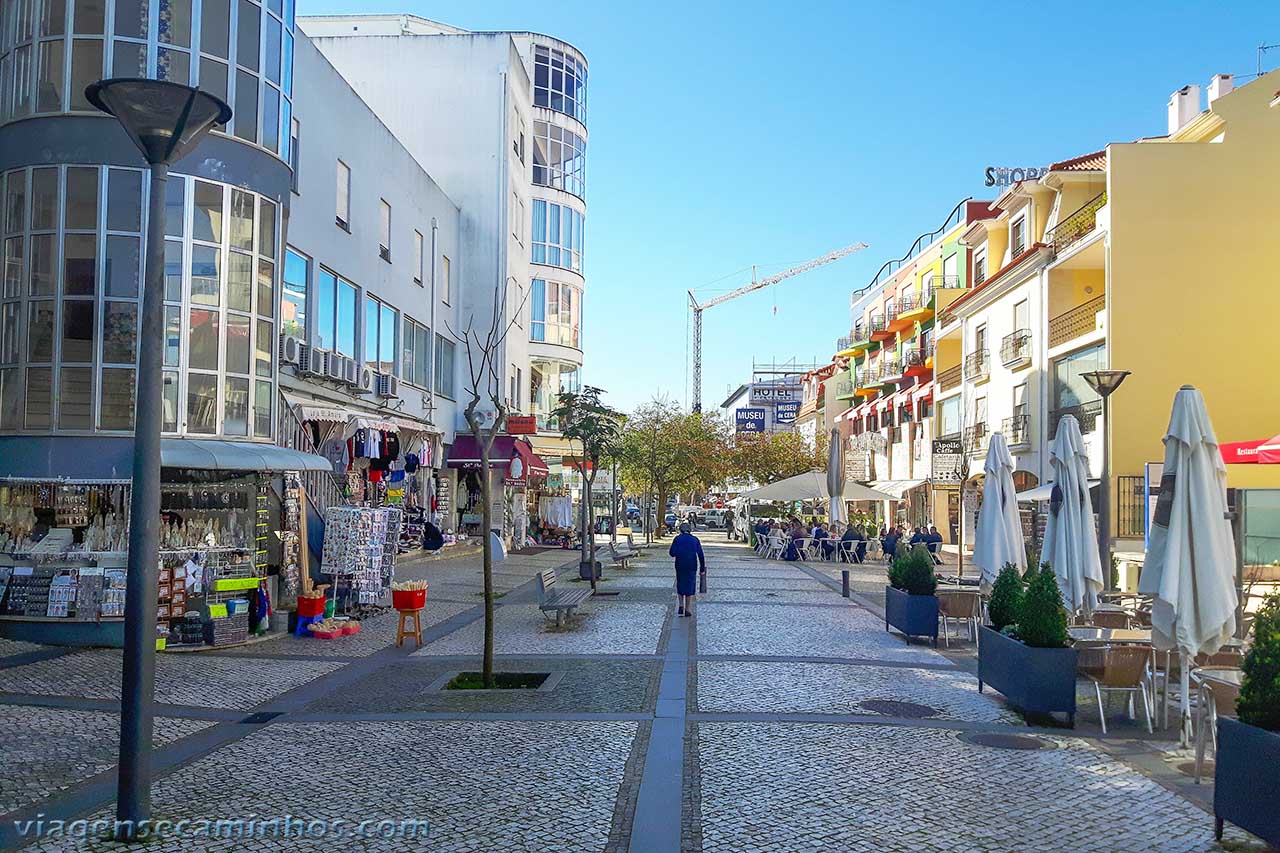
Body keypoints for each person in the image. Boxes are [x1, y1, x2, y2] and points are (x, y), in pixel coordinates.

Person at [668, 522, 705, 617]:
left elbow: (672, 553)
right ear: (690, 530)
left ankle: (680, 605)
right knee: (690, 584)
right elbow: (700, 554)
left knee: (680, 583)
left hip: (680, 564)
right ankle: (688, 608)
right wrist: (702, 568)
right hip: (691, 565)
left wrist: (679, 552)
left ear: (680, 530)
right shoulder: (695, 540)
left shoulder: (677, 539)